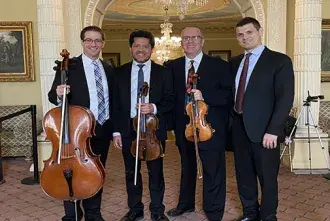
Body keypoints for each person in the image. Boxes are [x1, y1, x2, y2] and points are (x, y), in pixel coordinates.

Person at [229, 17, 294, 221]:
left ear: (260, 32)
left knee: (267, 178)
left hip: (266, 131)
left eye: (249, 32)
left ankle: (267, 216)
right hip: (239, 128)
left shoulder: (279, 60)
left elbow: (285, 98)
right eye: (240, 34)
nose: (245, 37)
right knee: (244, 176)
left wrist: (274, 130)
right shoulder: (234, 62)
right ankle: (249, 213)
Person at [165, 27, 232, 221]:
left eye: (194, 37)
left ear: (202, 41)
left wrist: (206, 96)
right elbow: (169, 97)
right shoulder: (172, 66)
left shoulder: (218, 65)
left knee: (213, 168)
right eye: (185, 38)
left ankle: (213, 210)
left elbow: (229, 95)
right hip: (184, 127)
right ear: (181, 43)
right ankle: (185, 204)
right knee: (187, 167)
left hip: (209, 127)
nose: (190, 41)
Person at [48, 25, 113, 221]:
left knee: (97, 172)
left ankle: (94, 213)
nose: (93, 44)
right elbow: (53, 96)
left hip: (101, 128)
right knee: (72, 171)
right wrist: (59, 94)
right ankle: (72, 215)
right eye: (89, 40)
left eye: (97, 40)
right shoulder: (68, 65)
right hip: (76, 131)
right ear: (83, 42)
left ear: (102, 43)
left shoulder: (108, 68)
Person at [112, 30, 174, 221]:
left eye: (145, 46)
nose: (141, 50)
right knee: (131, 172)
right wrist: (116, 132)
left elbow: (171, 100)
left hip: (152, 130)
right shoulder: (119, 72)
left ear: (152, 49)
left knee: (156, 172)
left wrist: (153, 107)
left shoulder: (163, 72)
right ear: (130, 48)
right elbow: (115, 104)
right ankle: (135, 209)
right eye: (137, 46)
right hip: (128, 129)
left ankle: (157, 210)